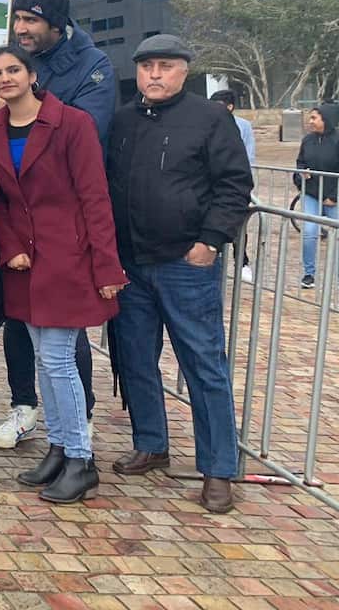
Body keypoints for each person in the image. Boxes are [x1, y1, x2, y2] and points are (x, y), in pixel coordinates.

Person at [106, 34, 253, 514]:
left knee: (203, 366)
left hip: (186, 264)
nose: (154, 75)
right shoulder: (124, 119)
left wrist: (210, 241)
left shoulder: (210, 118)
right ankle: (151, 442)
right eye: (147, 66)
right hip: (132, 262)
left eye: (165, 66)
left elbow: (235, 186)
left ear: (183, 71)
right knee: (135, 359)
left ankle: (218, 468)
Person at [0, 0, 114, 452]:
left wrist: (105, 263)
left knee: (61, 354)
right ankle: (33, 416)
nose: (21, 28)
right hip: (18, 242)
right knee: (27, 333)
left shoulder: (91, 73)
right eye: (17, 20)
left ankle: (76, 439)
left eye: (30, 20)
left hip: (65, 239)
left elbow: (91, 184)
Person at [0, 46, 125, 504]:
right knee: (45, 359)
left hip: (69, 256)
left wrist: (106, 264)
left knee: (60, 360)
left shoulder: (72, 123)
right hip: (25, 261)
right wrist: (11, 249)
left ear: (32, 75)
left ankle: (82, 459)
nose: (5, 79)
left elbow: (95, 196)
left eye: (13, 70)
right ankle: (60, 449)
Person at [210, 89, 257, 284]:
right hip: (211, 184)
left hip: (233, 184)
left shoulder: (243, 126)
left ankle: (243, 262)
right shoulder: (207, 123)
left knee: (238, 226)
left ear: (230, 107)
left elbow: (248, 155)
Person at [294, 105, 339, 291]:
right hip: (311, 193)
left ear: (325, 119)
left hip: (333, 196)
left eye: (314, 118)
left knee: (336, 235)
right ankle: (309, 273)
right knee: (309, 231)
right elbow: (300, 163)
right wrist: (300, 176)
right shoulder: (307, 140)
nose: (310, 121)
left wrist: (333, 196)